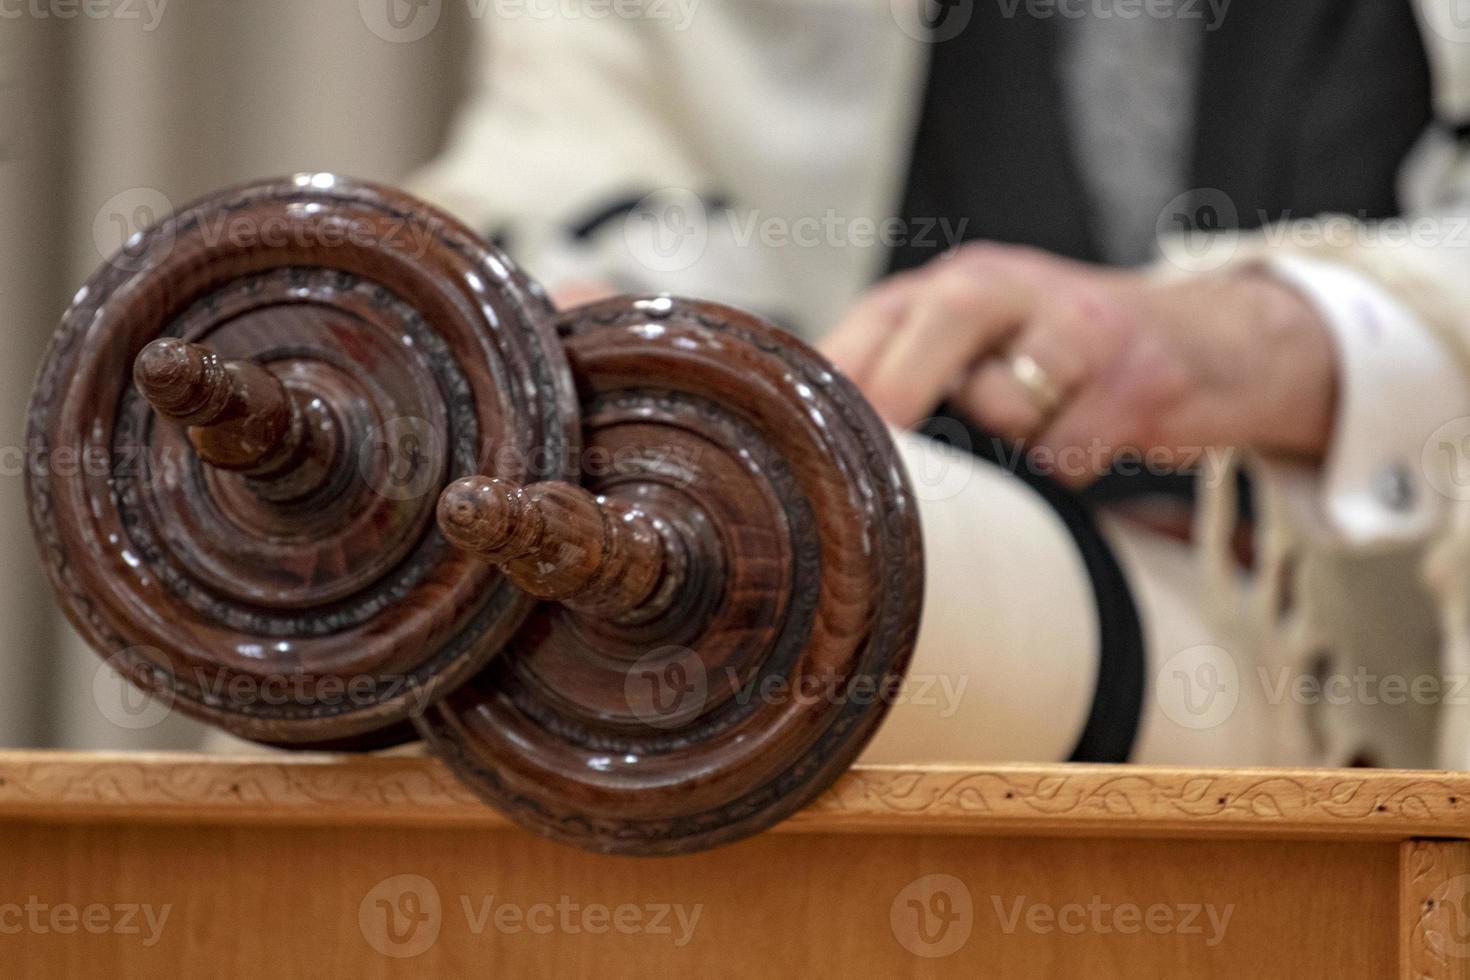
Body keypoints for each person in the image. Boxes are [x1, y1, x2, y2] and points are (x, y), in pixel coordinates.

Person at [407, 0, 1470, 769]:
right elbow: (574, 139)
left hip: (1382, 682)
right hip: (866, 693)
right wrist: (600, 326)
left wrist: (1275, 337)